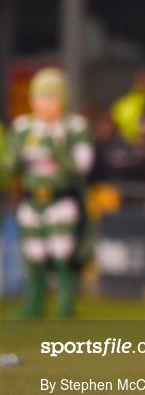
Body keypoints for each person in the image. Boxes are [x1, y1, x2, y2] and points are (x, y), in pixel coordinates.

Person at [5, 67, 94, 317]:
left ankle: (66, 305)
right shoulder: (23, 128)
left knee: (62, 252)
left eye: (51, 97)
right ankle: (34, 303)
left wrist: (56, 147)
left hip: (61, 199)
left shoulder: (74, 127)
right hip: (32, 199)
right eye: (40, 97)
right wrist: (14, 154)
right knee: (33, 252)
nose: (45, 104)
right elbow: (11, 165)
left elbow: (81, 166)